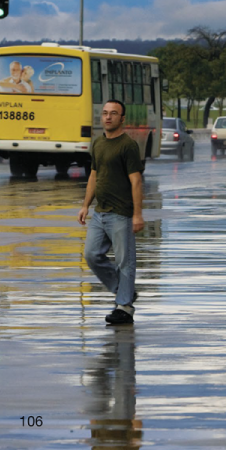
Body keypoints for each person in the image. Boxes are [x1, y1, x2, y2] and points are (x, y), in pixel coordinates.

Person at [79, 99, 146, 325]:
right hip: (100, 213)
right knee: (91, 255)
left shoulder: (128, 145)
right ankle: (122, 290)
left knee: (125, 261)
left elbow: (136, 181)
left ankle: (125, 307)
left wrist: (137, 214)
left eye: (113, 113)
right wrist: (85, 205)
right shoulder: (98, 143)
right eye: (105, 113)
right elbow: (93, 176)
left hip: (121, 213)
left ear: (122, 118)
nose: (108, 117)